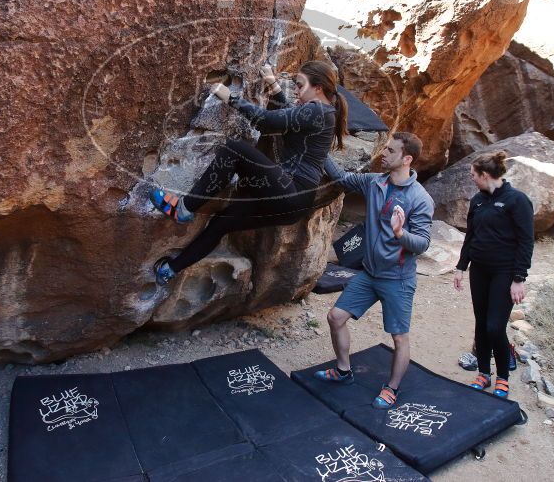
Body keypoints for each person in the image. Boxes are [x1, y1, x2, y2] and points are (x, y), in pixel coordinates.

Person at [148, 61, 348, 285]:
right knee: (223, 222)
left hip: (290, 191)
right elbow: (288, 115)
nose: (298, 92)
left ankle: (185, 208)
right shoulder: (322, 112)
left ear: (318, 87)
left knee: (235, 150)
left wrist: (228, 95)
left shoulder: (317, 110)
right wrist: (272, 83)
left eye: (300, 86)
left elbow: (266, 121)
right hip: (292, 205)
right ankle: (169, 270)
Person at [315, 132, 433, 409]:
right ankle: (343, 371)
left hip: (398, 279)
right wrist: (318, 150)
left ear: (407, 159)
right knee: (335, 317)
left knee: (399, 337)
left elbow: (423, 244)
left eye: (390, 151)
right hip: (369, 274)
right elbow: (342, 178)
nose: (384, 153)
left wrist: (400, 232)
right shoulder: (375, 182)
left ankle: (391, 388)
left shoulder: (420, 198)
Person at [453, 151, 534, 399]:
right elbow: (471, 235)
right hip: (479, 269)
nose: (472, 179)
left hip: (504, 272)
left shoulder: (517, 200)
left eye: (473, 175)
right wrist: (460, 266)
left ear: (485, 175)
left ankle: (502, 378)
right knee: (480, 323)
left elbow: (526, 241)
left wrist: (518, 278)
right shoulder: (477, 200)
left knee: (495, 326)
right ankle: (483, 374)